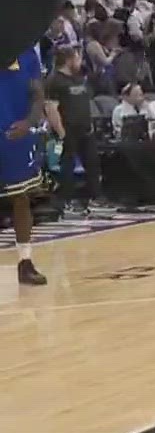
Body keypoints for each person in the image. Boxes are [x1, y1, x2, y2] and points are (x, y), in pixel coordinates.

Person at [2, 45, 49, 285]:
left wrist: (29, 121)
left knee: (21, 198)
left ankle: (25, 261)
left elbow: (38, 93)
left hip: (15, 134)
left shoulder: (26, 52)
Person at [46, 45, 101, 213]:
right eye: (77, 58)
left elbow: (84, 102)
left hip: (85, 129)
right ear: (69, 60)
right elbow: (50, 108)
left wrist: (90, 123)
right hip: (67, 130)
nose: (80, 61)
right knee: (67, 167)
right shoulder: (54, 80)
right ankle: (66, 202)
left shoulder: (79, 78)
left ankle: (93, 199)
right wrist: (61, 132)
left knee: (92, 164)